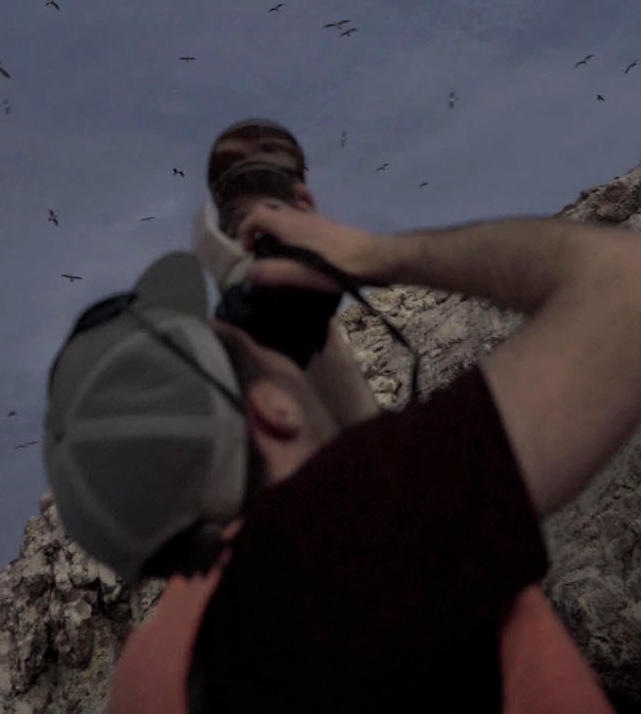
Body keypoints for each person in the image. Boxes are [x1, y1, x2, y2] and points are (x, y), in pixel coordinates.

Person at [43, 132, 641, 713]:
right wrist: (374, 254)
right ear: (272, 413)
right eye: (241, 344)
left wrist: (303, 315)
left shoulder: (151, 676)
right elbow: (626, 290)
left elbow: (359, 479)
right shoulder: (356, 533)